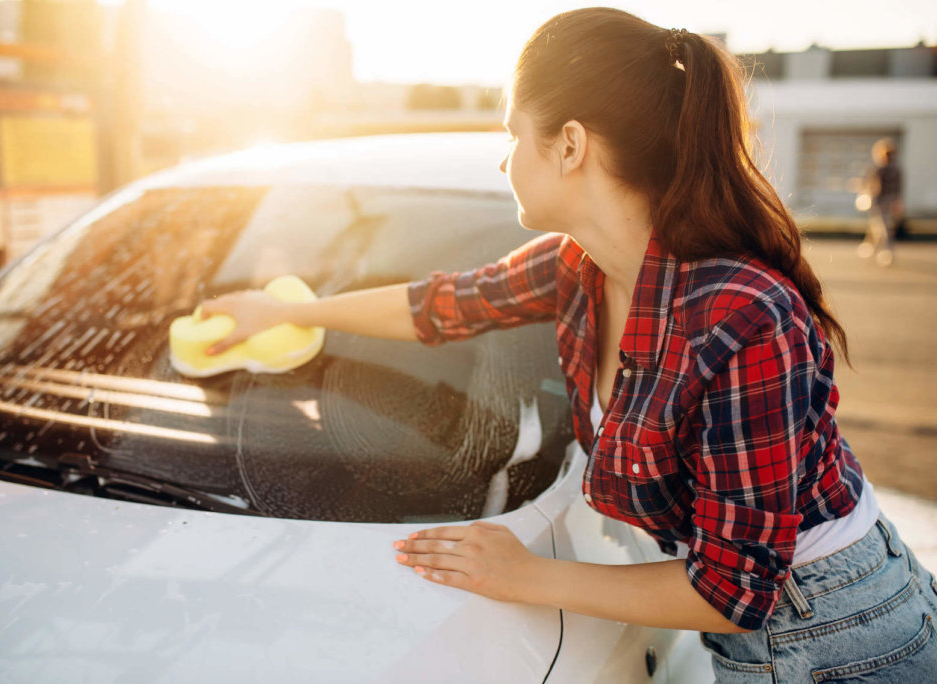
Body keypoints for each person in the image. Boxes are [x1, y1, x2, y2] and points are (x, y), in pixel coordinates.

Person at [200, 9, 937, 681]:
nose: (504, 158)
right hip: (767, 633)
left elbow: (735, 589)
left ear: (571, 145)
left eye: (512, 134)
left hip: (843, 636)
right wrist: (283, 313)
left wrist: (523, 575)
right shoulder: (577, 266)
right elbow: (444, 307)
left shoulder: (743, 318)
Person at [857, 138, 903, 267]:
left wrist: (897, 202)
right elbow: (868, 184)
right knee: (877, 225)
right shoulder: (881, 168)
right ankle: (870, 246)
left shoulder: (887, 169)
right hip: (879, 201)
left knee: (884, 227)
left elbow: (897, 187)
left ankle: (887, 251)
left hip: (883, 201)